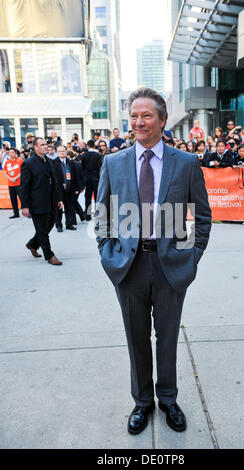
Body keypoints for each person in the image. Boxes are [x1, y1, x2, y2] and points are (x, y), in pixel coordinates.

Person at [95, 87, 211, 435]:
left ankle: (168, 399)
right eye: (133, 115)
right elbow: (103, 215)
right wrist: (108, 253)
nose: (138, 121)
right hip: (128, 267)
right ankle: (142, 402)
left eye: (146, 115)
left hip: (170, 267)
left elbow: (201, 217)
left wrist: (191, 256)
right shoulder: (113, 163)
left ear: (162, 120)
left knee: (167, 337)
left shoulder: (186, 163)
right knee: (136, 337)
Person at [20, 137, 64, 265]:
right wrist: (25, 206)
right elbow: (24, 186)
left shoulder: (50, 162)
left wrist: (59, 199)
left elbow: (55, 182)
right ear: (36, 147)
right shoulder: (29, 163)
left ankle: (32, 244)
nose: (46, 146)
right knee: (42, 229)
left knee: (48, 226)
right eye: (42, 145)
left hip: (51, 201)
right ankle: (49, 255)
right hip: (37, 202)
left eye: (46, 144)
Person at [53, 145, 79, 232]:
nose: (62, 153)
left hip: (70, 188)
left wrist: (76, 188)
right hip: (58, 189)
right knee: (58, 208)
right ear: (56, 152)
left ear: (66, 151)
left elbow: (75, 176)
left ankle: (69, 224)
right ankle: (59, 225)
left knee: (70, 207)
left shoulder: (71, 162)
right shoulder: (53, 163)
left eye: (63, 151)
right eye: (60, 151)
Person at [81, 139, 102, 221]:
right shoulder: (98, 156)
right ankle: (97, 214)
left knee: (87, 197)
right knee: (97, 197)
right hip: (96, 179)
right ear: (94, 145)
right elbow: (99, 168)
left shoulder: (83, 156)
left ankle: (88, 215)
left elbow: (82, 169)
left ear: (87, 146)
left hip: (87, 179)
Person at [3, 148, 24, 219]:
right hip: (11, 184)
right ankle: (16, 213)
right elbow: (5, 173)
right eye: (10, 153)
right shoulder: (7, 162)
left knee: (22, 198)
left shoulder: (20, 160)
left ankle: (28, 212)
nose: (11, 154)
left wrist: (15, 178)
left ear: (15, 153)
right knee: (13, 199)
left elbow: (23, 171)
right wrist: (11, 179)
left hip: (19, 183)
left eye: (13, 152)